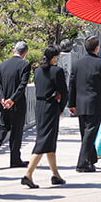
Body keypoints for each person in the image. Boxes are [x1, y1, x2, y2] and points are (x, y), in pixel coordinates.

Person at [21, 45, 68, 188]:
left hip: (39, 106)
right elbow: (64, 92)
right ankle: (28, 174)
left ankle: (55, 174)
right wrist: (61, 107)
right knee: (44, 141)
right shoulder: (57, 71)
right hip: (50, 106)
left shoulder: (37, 71)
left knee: (49, 141)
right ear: (54, 57)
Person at [67, 35, 101, 173]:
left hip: (80, 103)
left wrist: (71, 103)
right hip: (95, 103)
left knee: (86, 133)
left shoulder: (77, 64)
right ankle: (82, 163)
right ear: (97, 48)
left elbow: (72, 84)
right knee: (90, 133)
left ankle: (91, 159)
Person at [0, 41, 32, 169]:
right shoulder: (25, 65)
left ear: (14, 50)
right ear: (25, 53)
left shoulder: (2, 65)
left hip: (4, 104)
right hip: (17, 104)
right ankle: (15, 159)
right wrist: (12, 100)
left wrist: (2, 99)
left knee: (3, 126)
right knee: (17, 130)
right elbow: (22, 85)